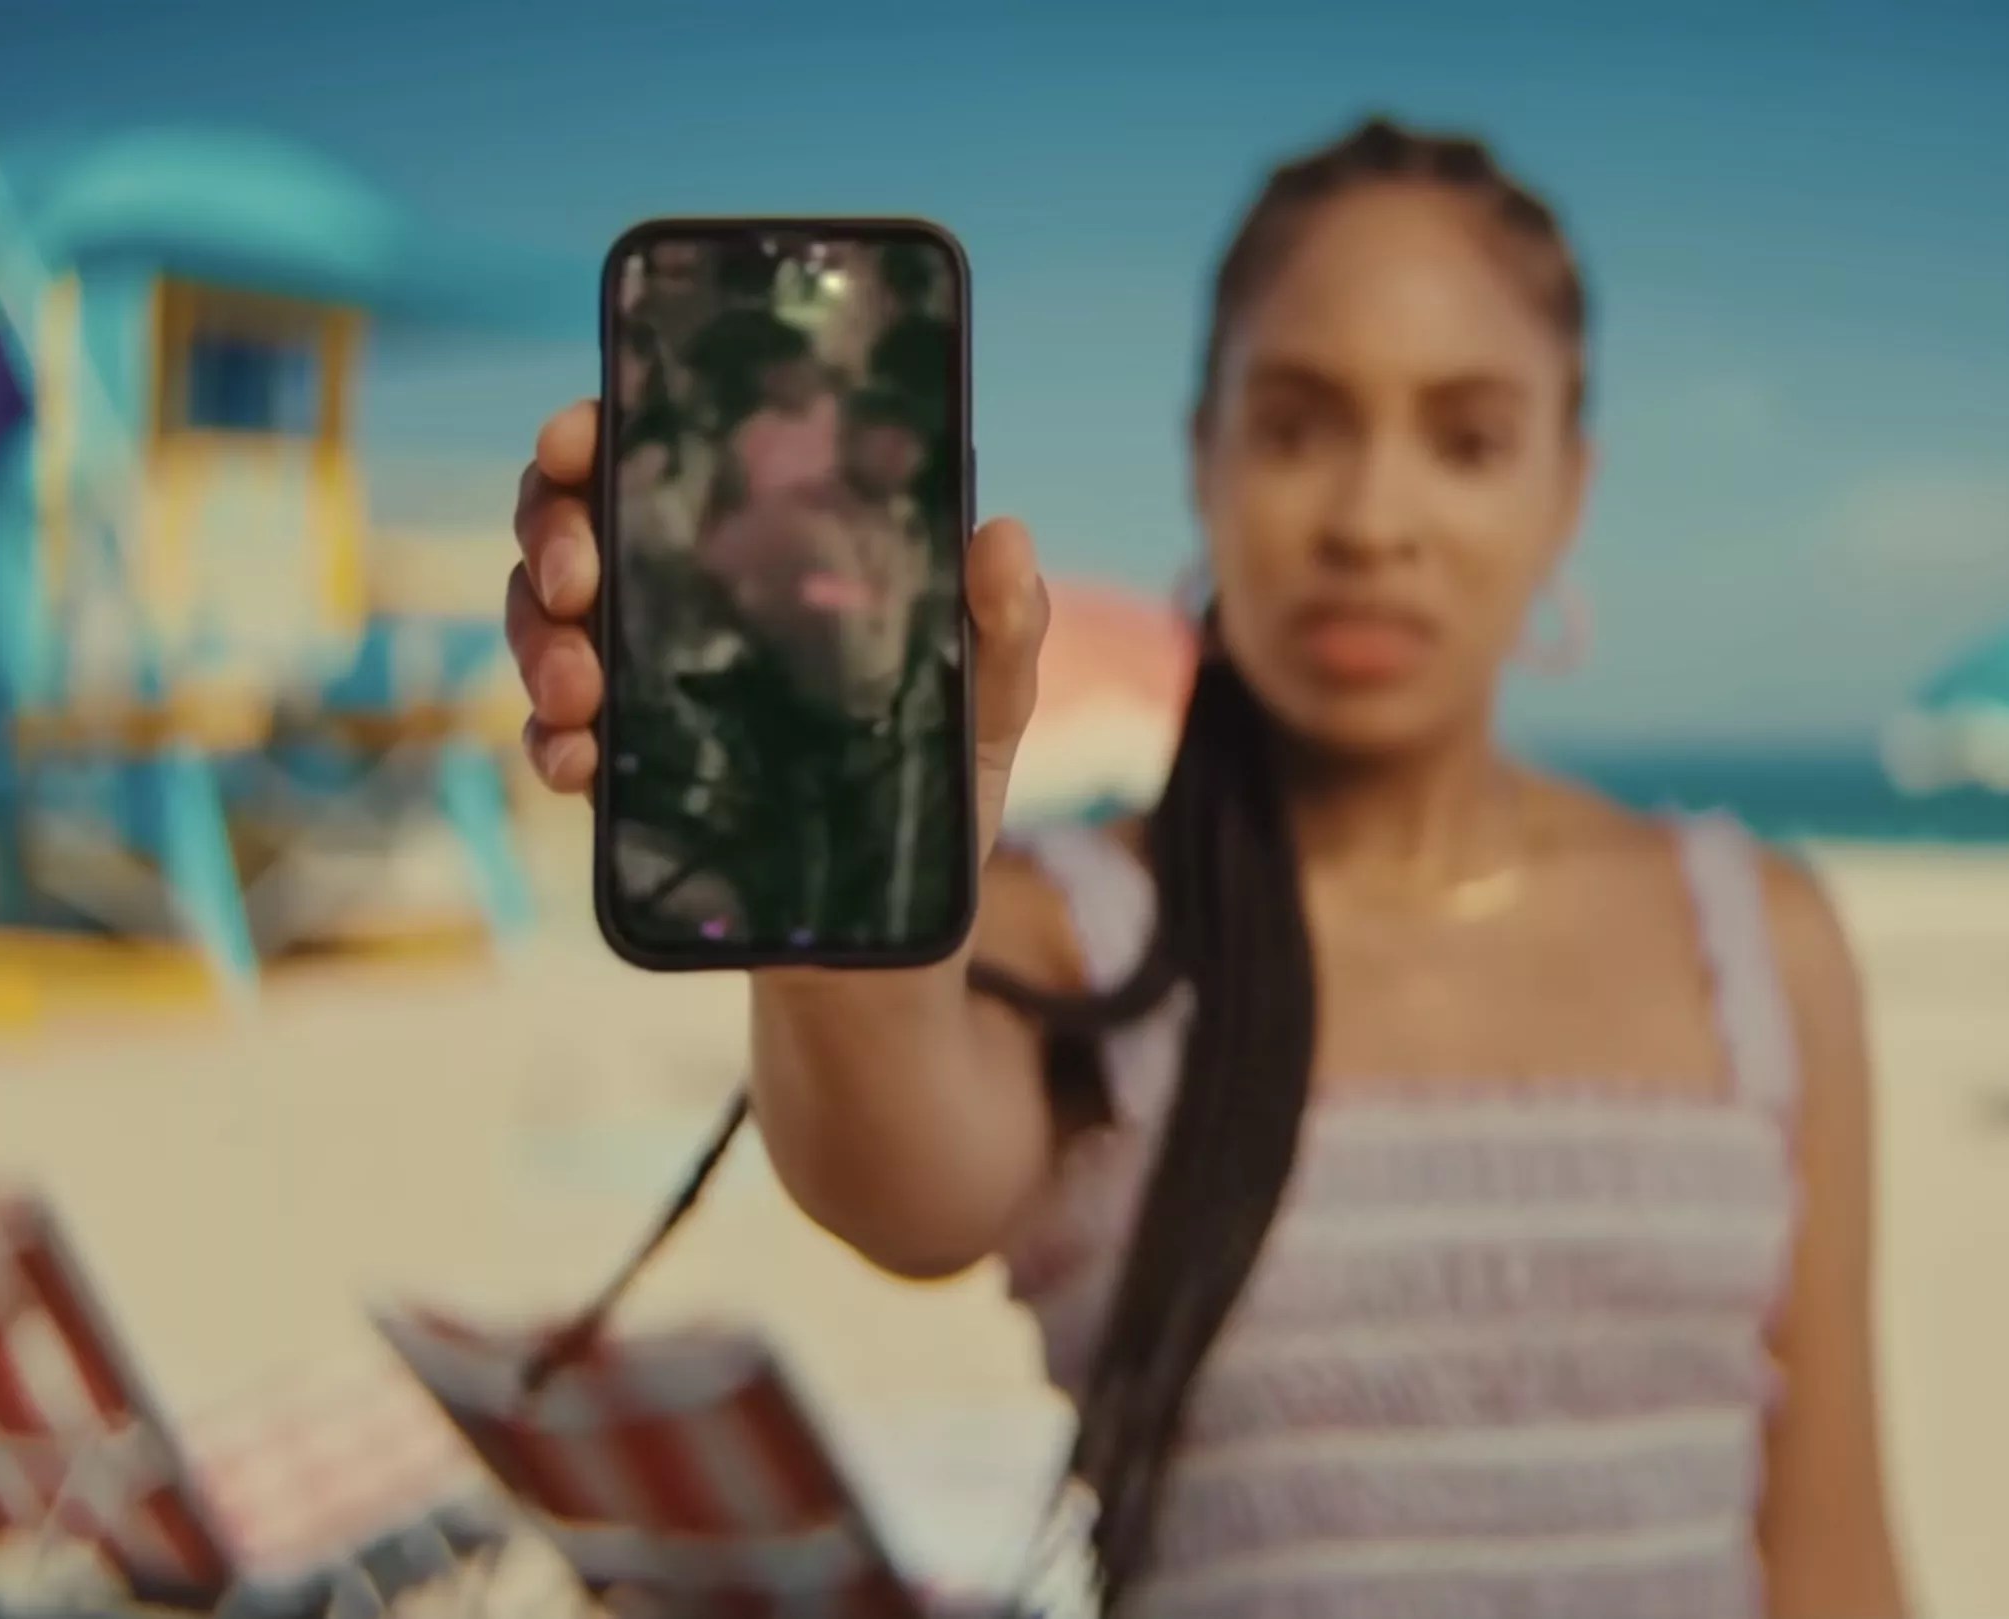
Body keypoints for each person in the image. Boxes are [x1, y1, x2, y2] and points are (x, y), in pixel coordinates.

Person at [506, 115, 1911, 1619]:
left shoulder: (1758, 940)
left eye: (1468, 439)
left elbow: (1835, 1555)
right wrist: (835, 853)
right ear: (1203, 456)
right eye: (1299, 424)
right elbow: (894, 1179)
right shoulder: (1080, 933)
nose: (1374, 522)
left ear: (1570, 484)